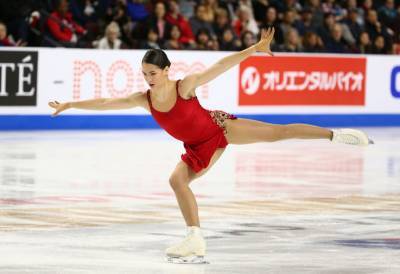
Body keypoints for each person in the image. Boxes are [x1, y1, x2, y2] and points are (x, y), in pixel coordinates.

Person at [48, 27, 373, 264]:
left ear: (166, 70)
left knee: (279, 131)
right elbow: (107, 101)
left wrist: (252, 50)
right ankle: (195, 238)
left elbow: (219, 67)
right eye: (145, 73)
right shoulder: (143, 99)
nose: (149, 79)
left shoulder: (184, 86)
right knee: (176, 180)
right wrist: (71, 104)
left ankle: (338, 135)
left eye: (153, 73)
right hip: (196, 145)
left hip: (220, 129)